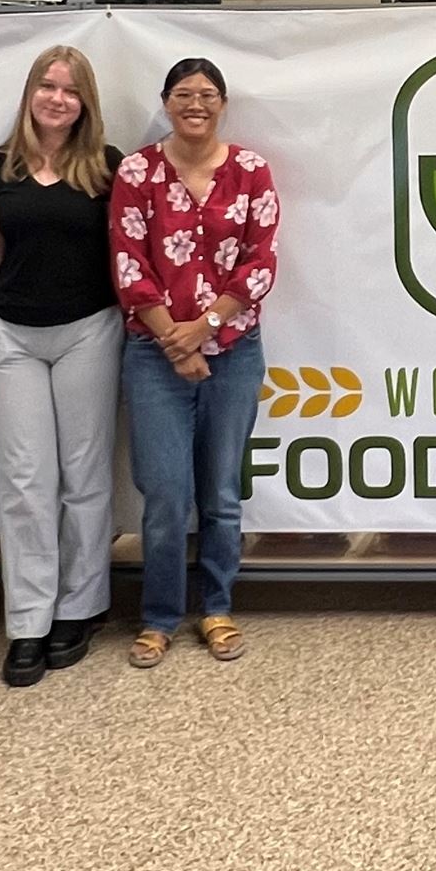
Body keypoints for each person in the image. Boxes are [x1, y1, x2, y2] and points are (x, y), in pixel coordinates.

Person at [111, 57, 278, 668]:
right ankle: (158, 617)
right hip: (154, 356)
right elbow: (129, 265)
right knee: (164, 494)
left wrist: (203, 329)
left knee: (222, 493)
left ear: (223, 104)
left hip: (234, 352)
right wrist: (174, 343)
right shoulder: (137, 172)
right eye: (184, 94)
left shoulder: (251, 171)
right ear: (166, 102)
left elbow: (260, 263)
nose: (196, 104)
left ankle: (216, 608)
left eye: (208, 94)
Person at [0, 45, 124, 689]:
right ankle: (28, 620)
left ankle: (79, 608)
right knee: (25, 480)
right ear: (30, 93)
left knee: (84, 476)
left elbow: (119, 249)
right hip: (13, 334)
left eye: (70, 90)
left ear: (86, 102)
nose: (57, 99)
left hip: (88, 329)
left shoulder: (107, 168)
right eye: (47, 86)